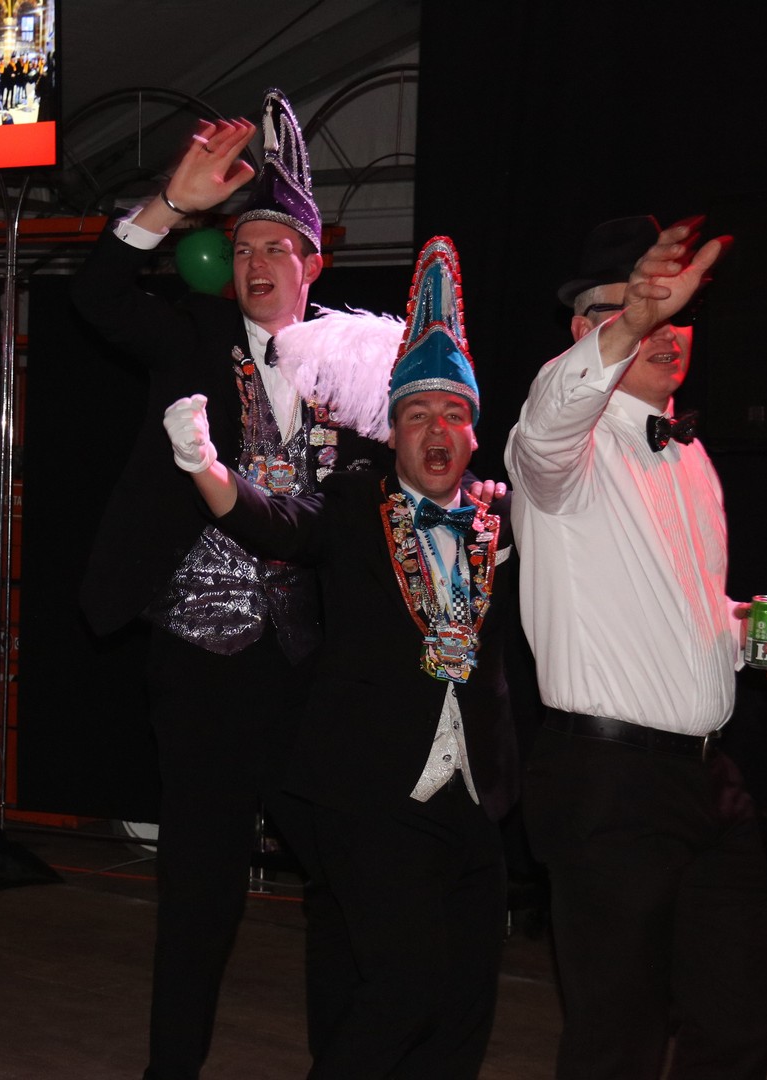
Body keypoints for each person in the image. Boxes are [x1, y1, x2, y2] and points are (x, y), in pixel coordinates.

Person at [70, 90, 401, 1080]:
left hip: (316, 668)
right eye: (244, 247)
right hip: (203, 662)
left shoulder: (360, 369)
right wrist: (170, 206)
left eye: (277, 250)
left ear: (313, 265)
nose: (257, 264)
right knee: (199, 891)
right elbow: (98, 297)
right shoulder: (193, 340)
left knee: (343, 878)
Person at [167, 236, 518, 1078]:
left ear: (475, 431)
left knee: (466, 1002)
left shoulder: (498, 520)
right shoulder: (358, 502)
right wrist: (206, 467)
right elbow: (279, 522)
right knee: (404, 985)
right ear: (391, 431)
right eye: (417, 415)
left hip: (476, 796)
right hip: (375, 793)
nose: (436, 430)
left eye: (453, 414)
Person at [504, 216, 767, 1079]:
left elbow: (676, 605)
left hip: (704, 777)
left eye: (680, 313)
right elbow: (549, 414)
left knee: (743, 1024)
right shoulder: (559, 452)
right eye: (642, 309)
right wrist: (630, 318)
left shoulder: (691, 458)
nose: (666, 328)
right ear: (583, 329)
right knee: (618, 1043)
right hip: (608, 782)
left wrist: (745, 633)